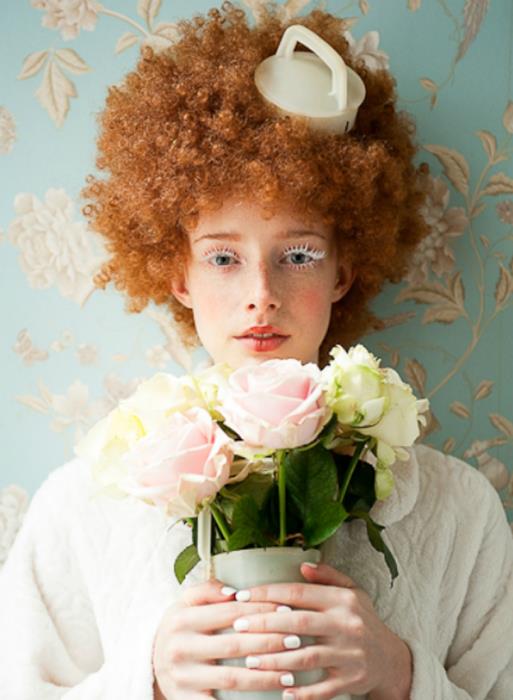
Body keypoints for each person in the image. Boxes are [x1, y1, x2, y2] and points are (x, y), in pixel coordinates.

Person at [1, 3, 512, 699]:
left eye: (297, 255)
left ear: (344, 271)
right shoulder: (83, 507)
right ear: (177, 274)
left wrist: (402, 675)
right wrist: (145, 680)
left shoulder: (459, 512)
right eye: (222, 258)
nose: (261, 295)